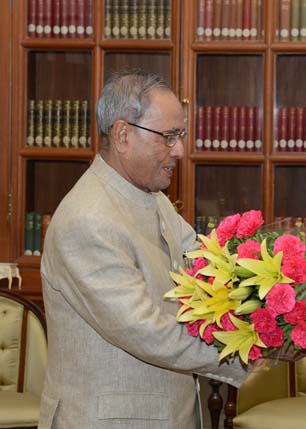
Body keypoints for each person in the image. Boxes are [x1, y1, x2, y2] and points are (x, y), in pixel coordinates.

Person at [39, 70, 248, 428]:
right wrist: (242, 349)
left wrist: (274, 294)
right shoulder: (87, 220)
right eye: (169, 137)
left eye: (180, 135)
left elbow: (207, 262)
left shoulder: (151, 197)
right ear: (122, 135)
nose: (180, 150)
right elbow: (146, 330)